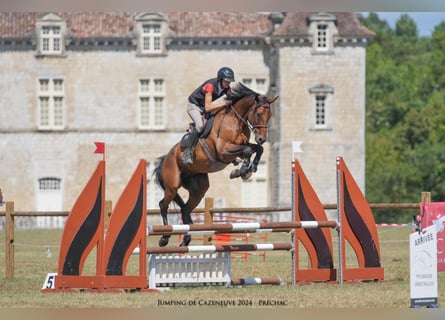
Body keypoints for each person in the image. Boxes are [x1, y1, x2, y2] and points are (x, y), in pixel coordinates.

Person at [183, 67, 235, 165]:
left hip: (205, 108)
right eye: (226, 81)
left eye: (229, 81)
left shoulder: (227, 88)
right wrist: (224, 104)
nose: (228, 83)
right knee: (200, 126)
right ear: (220, 79)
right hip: (195, 106)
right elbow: (207, 107)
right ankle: (188, 152)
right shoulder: (210, 86)